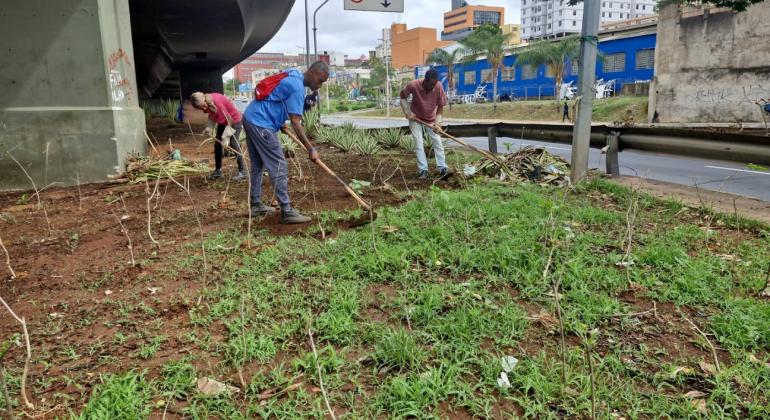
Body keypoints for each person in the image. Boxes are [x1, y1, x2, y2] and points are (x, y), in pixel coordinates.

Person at [241, 61, 329, 224]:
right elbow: (296, 122)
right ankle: (287, 211)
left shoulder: (292, 74)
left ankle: (256, 205)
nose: (320, 85)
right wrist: (310, 149)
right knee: (279, 164)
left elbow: (276, 99)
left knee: (257, 165)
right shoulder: (297, 88)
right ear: (313, 73)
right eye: (320, 81)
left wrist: (279, 120)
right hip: (261, 124)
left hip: (251, 117)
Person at [399, 69, 448, 179]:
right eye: (430, 84)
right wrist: (408, 112)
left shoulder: (438, 87)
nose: (432, 87)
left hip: (431, 118)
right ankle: (423, 170)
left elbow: (440, 106)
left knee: (438, 142)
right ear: (425, 81)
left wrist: (438, 123)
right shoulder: (414, 85)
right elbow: (402, 95)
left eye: (434, 85)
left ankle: (442, 168)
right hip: (415, 118)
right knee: (419, 143)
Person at [190, 92, 246, 181]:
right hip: (223, 122)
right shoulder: (207, 102)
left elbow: (230, 120)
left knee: (233, 144)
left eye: (203, 105)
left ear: (204, 99)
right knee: (217, 145)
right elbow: (212, 114)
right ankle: (218, 171)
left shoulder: (217, 102)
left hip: (234, 121)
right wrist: (209, 127)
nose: (204, 108)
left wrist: (226, 138)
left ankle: (243, 172)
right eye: (201, 108)